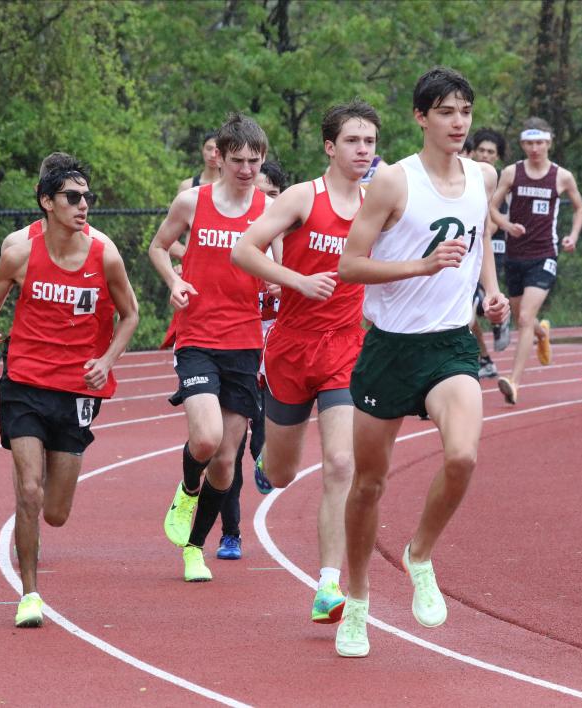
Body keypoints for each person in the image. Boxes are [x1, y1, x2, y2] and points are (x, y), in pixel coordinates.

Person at [334, 67, 509, 657]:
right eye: (446, 112)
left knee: (461, 455)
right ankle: (356, 602)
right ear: (421, 118)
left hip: (451, 343)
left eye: (465, 110)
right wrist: (422, 265)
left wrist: (489, 289)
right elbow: (350, 266)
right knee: (369, 484)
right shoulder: (392, 183)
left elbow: (479, 237)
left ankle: (419, 555)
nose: (459, 122)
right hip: (390, 347)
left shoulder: (483, 175)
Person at [232, 99, 380, 623]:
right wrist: (296, 281)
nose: (363, 150)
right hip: (292, 348)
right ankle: (265, 455)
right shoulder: (301, 198)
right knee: (283, 471)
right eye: (353, 141)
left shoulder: (378, 203)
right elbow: (244, 251)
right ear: (329, 146)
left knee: (342, 463)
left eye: (369, 141)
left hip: (345, 346)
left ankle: (327, 585)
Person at [0, 161, 139, 627]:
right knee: (28, 490)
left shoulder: (104, 256)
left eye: (87, 197)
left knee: (56, 512)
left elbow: (130, 315)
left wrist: (107, 360)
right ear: (47, 202)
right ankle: (30, 595)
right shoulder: (19, 255)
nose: (83, 205)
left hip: (75, 390)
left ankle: (36, 509)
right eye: (72, 197)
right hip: (24, 383)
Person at [148, 113, 269, 582]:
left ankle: (194, 547)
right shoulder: (192, 201)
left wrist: (277, 286)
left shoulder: (267, 209)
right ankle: (185, 488)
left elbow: (275, 259)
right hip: (197, 334)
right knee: (205, 438)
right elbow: (159, 247)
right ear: (219, 156)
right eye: (237, 160)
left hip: (244, 340)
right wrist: (176, 280)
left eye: (254, 161)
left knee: (226, 463)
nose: (246, 169)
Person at [0, 152, 112, 360]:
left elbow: (121, 307)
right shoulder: (17, 243)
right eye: (71, 196)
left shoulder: (102, 246)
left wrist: (108, 355)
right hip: (30, 359)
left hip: (78, 360)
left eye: (81, 196)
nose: (81, 204)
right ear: (42, 194)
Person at [214, 162, 289, 561]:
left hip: (275, 362)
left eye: (272, 193)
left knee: (263, 450)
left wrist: (286, 283)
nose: (264, 202)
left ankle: (268, 459)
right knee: (229, 449)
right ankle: (231, 533)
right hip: (236, 356)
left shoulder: (292, 241)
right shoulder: (235, 244)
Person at [492, 118, 582, 404]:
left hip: (544, 255)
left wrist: (572, 236)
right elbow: (491, 208)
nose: (535, 148)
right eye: (530, 143)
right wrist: (506, 226)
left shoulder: (561, 176)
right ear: (523, 144)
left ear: (549, 143)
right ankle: (542, 334)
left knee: (523, 318)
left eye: (540, 142)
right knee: (525, 317)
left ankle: (514, 382)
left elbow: (580, 207)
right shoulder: (511, 173)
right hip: (515, 256)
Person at [470, 127, 511, 369]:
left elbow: (492, 221)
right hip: (468, 250)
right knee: (470, 308)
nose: (485, 155)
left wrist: (478, 231)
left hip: (494, 250)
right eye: (481, 150)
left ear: (497, 156)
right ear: (473, 152)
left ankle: (500, 319)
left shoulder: (499, 181)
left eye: (490, 152)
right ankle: (484, 357)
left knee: (478, 304)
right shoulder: (466, 177)